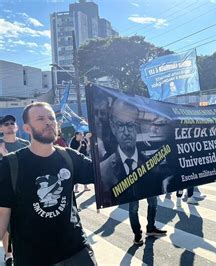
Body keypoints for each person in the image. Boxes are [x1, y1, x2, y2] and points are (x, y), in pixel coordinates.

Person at [0, 102, 97, 265]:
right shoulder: (10, 165)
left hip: (77, 252)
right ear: (27, 128)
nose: (49, 122)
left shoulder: (70, 157)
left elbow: (105, 174)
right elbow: (2, 214)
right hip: (33, 258)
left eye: (51, 118)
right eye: (40, 118)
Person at [99, 99, 167, 245]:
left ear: (136, 127)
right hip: (127, 183)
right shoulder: (105, 169)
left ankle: (151, 227)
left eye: (130, 125)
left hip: (146, 177)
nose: (126, 132)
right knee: (133, 208)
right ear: (112, 126)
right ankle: (137, 234)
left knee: (153, 203)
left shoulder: (150, 161)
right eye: (120, 125)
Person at [0, 115, 30, 266]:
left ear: (17, 127)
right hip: (4, 192)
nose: (10, 125)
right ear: (1, 128)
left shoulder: (26, 144)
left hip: (24, 191)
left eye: (13, 123)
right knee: (6, 227)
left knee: (24, 223)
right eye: (6, 124)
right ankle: (8, 254)